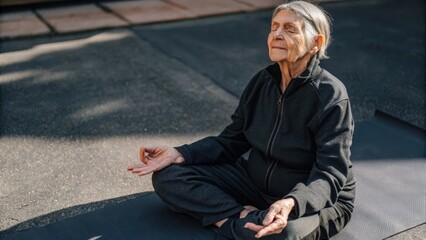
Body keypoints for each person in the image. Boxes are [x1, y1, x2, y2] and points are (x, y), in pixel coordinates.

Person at [127, 1, 355, 239]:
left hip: (310, 200)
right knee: (168, 175)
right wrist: (180, 153)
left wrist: (291, 202)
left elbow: (329, 175)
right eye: (274, 26)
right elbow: (232, 140)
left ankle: (234, 223)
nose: (276, 34)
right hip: (255, 185)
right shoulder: (262, 82)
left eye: (289, 29)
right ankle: (240, 217)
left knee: (283, 234)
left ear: (315, 43)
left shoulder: (330, 96)